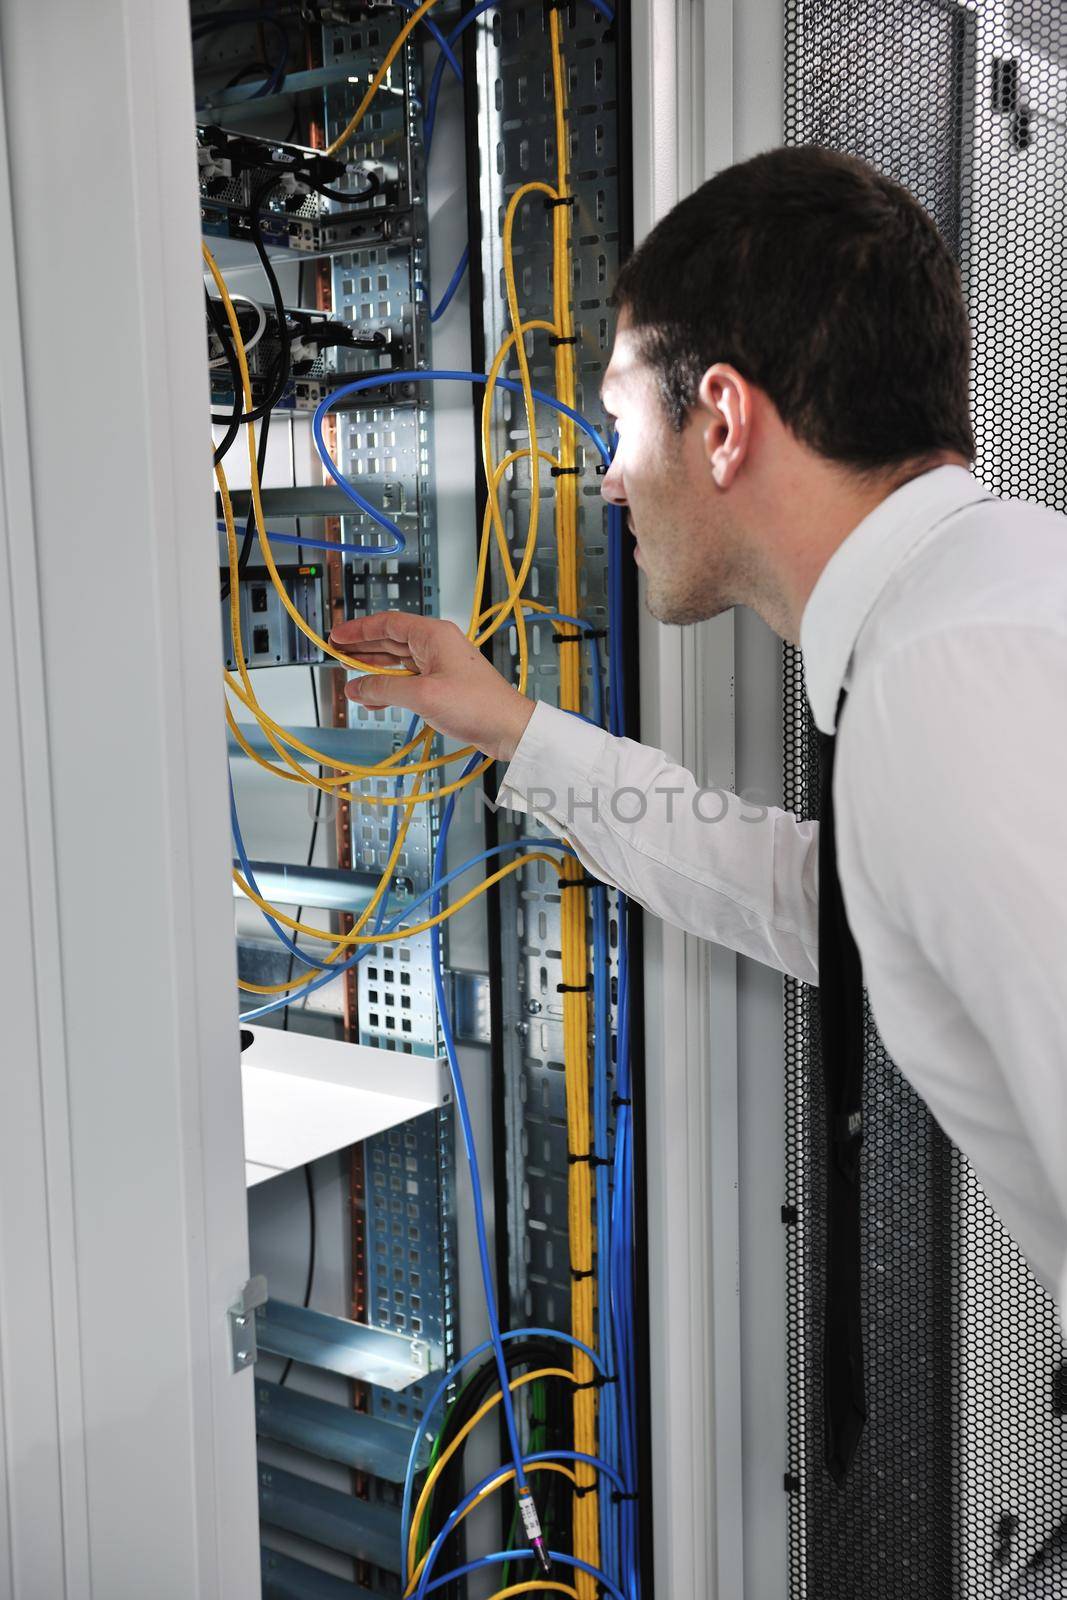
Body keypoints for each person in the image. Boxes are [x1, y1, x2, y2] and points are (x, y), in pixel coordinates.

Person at [330, 147, 1067, 1340]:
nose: (608, 481)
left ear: (720, 420)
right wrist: (515, 730)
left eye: (617, 416)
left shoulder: (946, 687)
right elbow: (825, 900)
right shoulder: (976, 608)